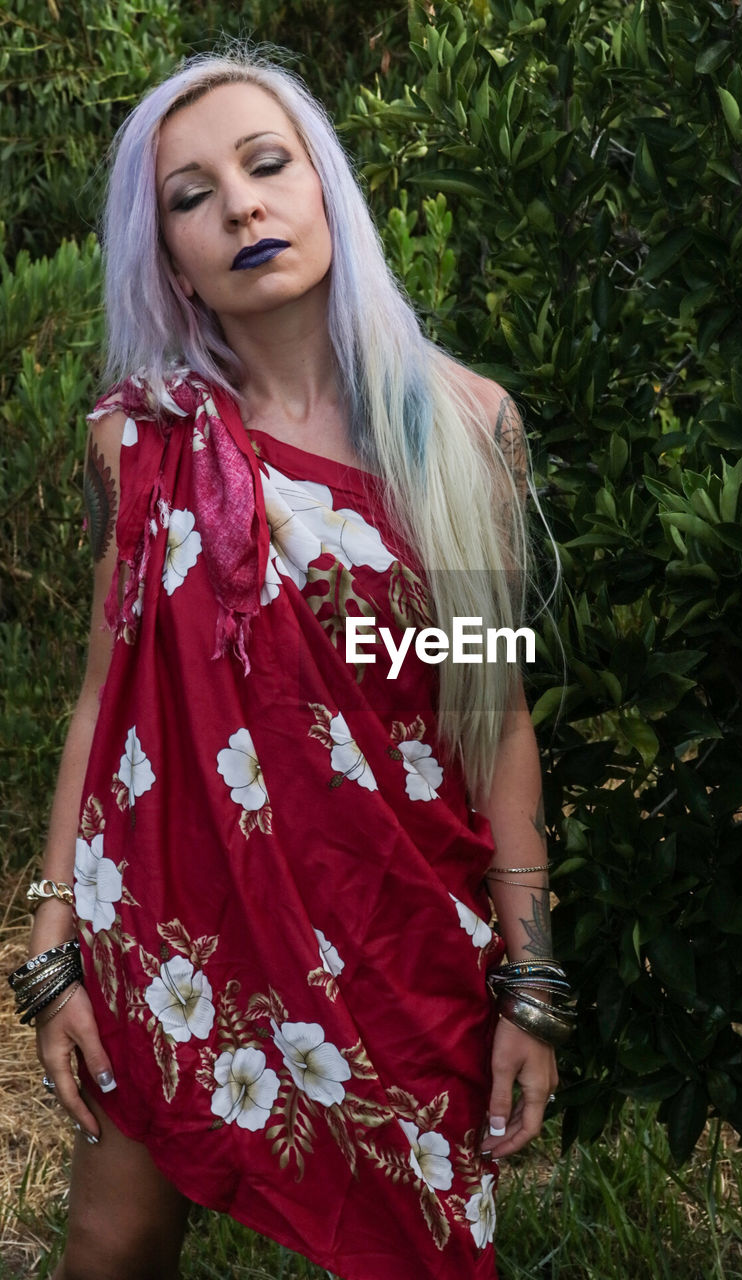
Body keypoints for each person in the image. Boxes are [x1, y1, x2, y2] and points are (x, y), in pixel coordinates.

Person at [14, 49, 572, 1280]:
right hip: (177, 927)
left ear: (324, 187)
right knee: (109, 1246)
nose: (242, 208)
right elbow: (106, 696)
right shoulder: (142, 439)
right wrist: (54, 939)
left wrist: (529, 971)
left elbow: (493, 712)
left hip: (392, 926)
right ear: (168, 253)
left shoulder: (466, 424)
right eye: (192, 194)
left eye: (266, 167)